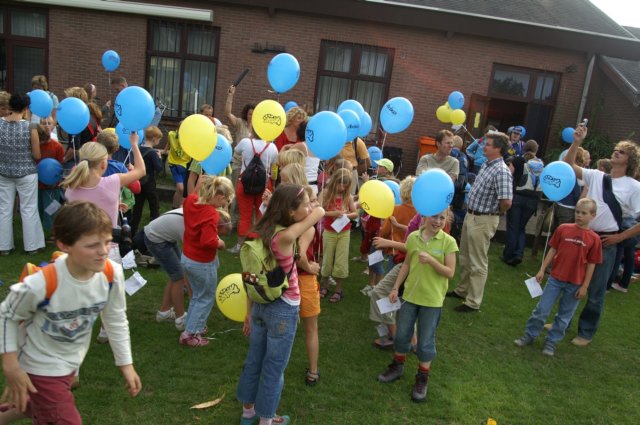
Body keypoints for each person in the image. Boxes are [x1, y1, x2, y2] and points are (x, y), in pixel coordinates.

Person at [0, 201, 141, 424]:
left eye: (107, 242)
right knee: (60, 414)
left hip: (70, 363)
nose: (103, 251)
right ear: (65, 245)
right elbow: (6, 315)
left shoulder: (110, 273)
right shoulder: (43, 282)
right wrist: (11, 366)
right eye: (92, 245)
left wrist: (126, 365)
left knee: (36, 404)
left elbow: (115, 319)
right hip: (40, 365)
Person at [237, 183, 324, 425]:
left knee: (254, 359)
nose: (309, 206)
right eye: (304, 204)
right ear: (291, 211)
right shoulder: (285, 237)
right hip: (283, 307)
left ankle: (248, 412)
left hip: (261, 303)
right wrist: (313, 206)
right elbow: (320, 213)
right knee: (274, 367)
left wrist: (248, 312)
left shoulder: (263, 228)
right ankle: (266, 420)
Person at [564, 126, 640, 345]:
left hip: (606, 242)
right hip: (583, 236)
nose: (616, 152)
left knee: (596, 290)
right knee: (572, 282)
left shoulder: (634, 187)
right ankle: (564, 321)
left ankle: (586, 332)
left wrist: (620, 237)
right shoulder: (597, 175)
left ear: (629, 160)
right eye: (616, 149)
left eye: (622, 152)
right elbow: (569, 165)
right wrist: (577, 142)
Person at [376, 210, 458, 403]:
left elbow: (450, 272)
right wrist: (396, 287)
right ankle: (397, 366)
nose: (438, 221)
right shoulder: (413, 237)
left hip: (432, 300)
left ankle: (422, 377)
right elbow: (406, 264)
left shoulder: (448, 242)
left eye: (442, 218)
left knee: (425, 340)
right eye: (434, 216)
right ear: (424, 217)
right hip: (410, 297)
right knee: (403, 333)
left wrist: (431, 261)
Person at [514, 198, 602, 356]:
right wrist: (542, 269)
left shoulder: (594, 239)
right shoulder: (563, 229)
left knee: (564, 316)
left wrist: (585, 286)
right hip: (556, 278)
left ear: (593, 215)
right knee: (541, 309)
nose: (579, 216)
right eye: (577, 212)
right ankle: (530, 335)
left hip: (575, 283)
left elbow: (592, 264)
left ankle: (551, 342)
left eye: (584, 213)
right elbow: (553, 249)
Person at [448, 131, 512, 312]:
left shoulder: (501, 170)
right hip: (472, 215)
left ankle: (473, 302)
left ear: (498, 148)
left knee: (477, 262)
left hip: (484, 219)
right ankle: (462, 290)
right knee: (465, 256)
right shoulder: (486, 164)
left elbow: (506, 201)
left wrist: (494, 213)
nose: (484, 147)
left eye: (488, 144)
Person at [180, 175, 234, 347]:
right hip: (202, 262)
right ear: (218, 196)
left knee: (197, 294)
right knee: (206, 297)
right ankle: (190, 334)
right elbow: (208, 241)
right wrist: (222, 243)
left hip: (187, 257)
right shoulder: (211, 214)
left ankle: (193, 323)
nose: (225, 204)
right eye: (226, 200)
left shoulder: (191, 201)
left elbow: (193, 197)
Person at [0, 93, 45, 255]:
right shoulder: (30, 127)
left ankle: (3, 247)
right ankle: (32, 246)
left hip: (3, 172)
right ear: (26, 108)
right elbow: (37, 155)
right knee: (29, 208)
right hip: (26, 173)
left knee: (4, 209)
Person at [228, 134, 278, 254]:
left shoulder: (246, 142)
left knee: (245, 216)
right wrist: (274, 184)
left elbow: (236, 151)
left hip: (245, 184)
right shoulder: (273, 147)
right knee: (262, 216)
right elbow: (274, 169)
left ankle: (240, 245)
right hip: (264, 186)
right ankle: (258, 247)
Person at [501, 140, 544, 266]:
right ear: (536, 150)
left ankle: (508, 255)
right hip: (532, 200)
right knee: (521, 227)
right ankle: (519, 253)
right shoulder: (541, 164)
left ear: (524, 148)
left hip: (518, 197)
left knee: (513, 227)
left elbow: (508, 175)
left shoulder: (517, 160)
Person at [319, 168, 358, 302]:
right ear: (334, 181)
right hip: (329, 231)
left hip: (344, 232)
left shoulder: (348, 197)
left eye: (345, 185)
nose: (341, 187)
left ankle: (338, 290)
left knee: (341, 261)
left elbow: (355, 213)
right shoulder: (325, 193)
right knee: (327, 259)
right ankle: (324, 285)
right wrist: (333, 214)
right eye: (339, 184)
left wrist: (346, 215)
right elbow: (319, 211)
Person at [130, 126, 164, 235]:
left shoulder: (138, 148)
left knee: (137, 210)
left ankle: (131, 233)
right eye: (159, 139)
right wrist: (159, 158)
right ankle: (153, 233)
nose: (159, 141)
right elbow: (159, 168)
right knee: (154, 208)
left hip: (138, 183)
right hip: (149, 184)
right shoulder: (153, 153)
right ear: (154, 139)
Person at [34, 120, 65, 232]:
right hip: (37, 183)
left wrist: (56, 182)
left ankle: (53, 231)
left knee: (52, 208)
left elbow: (60, 166)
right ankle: (40, 230)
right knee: (39, 207)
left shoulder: (57, 147)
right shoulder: (35, 146)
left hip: (53, 184)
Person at [165, 125, 191, 208]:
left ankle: (178, 208)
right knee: (180, 188)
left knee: (183, 190)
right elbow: (168, 143)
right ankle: (174, 207)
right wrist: (164, 151)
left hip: (186, 164)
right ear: (177, 129)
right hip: (174, 163)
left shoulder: (190, 138)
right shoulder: (171, 134)